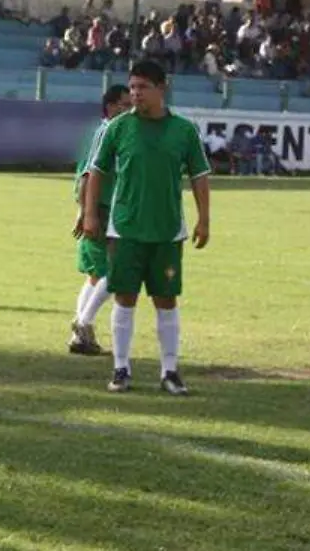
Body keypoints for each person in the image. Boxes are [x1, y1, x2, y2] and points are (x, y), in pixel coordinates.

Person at [84, 60, 211, 395]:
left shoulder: (183, 131)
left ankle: (169, 371)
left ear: (161, 88)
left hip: (168, 230)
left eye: (142, 87)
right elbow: (96, 172)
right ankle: (121, 368)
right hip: (125, 229)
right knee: (124, 299)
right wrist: (90, 214)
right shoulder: (118, 128)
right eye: (133, 87)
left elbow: (199, 176)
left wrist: (204, 218)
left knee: (165, 300)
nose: (136, 94)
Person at [68, 84, 130, 355]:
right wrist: (86, 212)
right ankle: (83, 323)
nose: (129, 110)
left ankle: (80, 335)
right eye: (125, 105)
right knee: (113, 272)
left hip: (107, 208)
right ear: (112, 107)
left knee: (96, 274)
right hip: (102, 209)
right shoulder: (106, 132)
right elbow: (87, 173)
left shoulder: (113, 131)